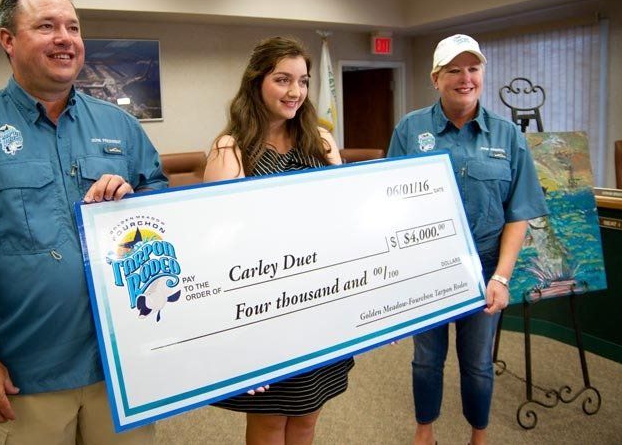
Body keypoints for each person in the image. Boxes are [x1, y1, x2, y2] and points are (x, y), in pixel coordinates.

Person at [0, 0, 166, 444]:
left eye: (73, 26)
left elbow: (165, 219)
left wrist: (136, 204)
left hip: (122, 363)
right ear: (8, 39)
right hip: (27, 377)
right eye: (46, 26)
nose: (65, 38)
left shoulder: (121, 127)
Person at [387, 34, 547, 445]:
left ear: (483, 74)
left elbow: (520, 213)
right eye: (454, 70)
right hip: (427, 270)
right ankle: (425, 431)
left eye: (473, 68)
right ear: (435, 78)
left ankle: (479, 434)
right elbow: (389, 202)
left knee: (477, 362)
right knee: (427, 359)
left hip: (485, 269)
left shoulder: (508, 136)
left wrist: (504, 277)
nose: (466, 78)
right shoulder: (410, 130)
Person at [204, 36, 352, 445]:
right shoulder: (230, 149)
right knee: (270, 422)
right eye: (283, 79)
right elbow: (218, 249)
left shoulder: (321, 144)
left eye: (303, 81)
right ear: (257, 82)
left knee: (307, 416)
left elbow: (345, 222)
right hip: (265, 308)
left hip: (319, 300)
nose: (296, 92)